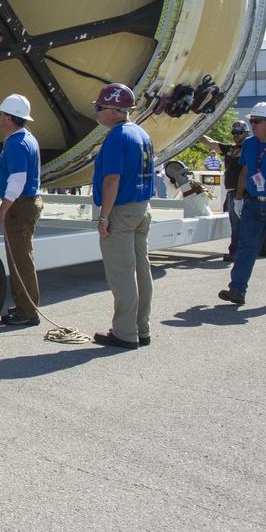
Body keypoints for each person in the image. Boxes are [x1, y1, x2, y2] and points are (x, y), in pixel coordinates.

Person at [91, 83, 155, 349]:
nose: (96, 112)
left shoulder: (117, 136)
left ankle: (125, 332)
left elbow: (112, 179)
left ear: (114, 110)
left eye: (99, 108)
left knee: (122, 274)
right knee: (142, 270)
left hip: (122, 209)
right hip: (142, 208)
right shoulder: (141, 134)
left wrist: (104, 216)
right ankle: (142, 328)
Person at [219, 102, 266, 308]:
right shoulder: (250, 144)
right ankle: (237, 290)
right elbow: (245, 172)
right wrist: (238, 198)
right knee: (246, 248)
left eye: (257, 121)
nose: (253, 125)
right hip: (253, 205)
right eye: (252, 121)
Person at [0, 94, 43, 326]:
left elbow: (17, 182)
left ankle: (28, 311)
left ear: (9, 118)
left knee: (20, 259)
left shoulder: (17, 144)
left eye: (0, 114)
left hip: (19, 206)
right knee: (20, 257)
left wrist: (2, 212)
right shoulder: (24, 139)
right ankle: (24, 306)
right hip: (25, 204)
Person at [203, 121, 256, 262]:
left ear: (246, 133)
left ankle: (237, 252)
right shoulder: (230, 149)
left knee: (240, 224)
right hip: (232, 192)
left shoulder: (251, 148)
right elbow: (211, 142)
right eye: (234, 132)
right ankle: (238, 251)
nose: (235, 135)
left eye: (239, 132)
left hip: (245, 192)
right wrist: (196, 133)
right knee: (235, 223)